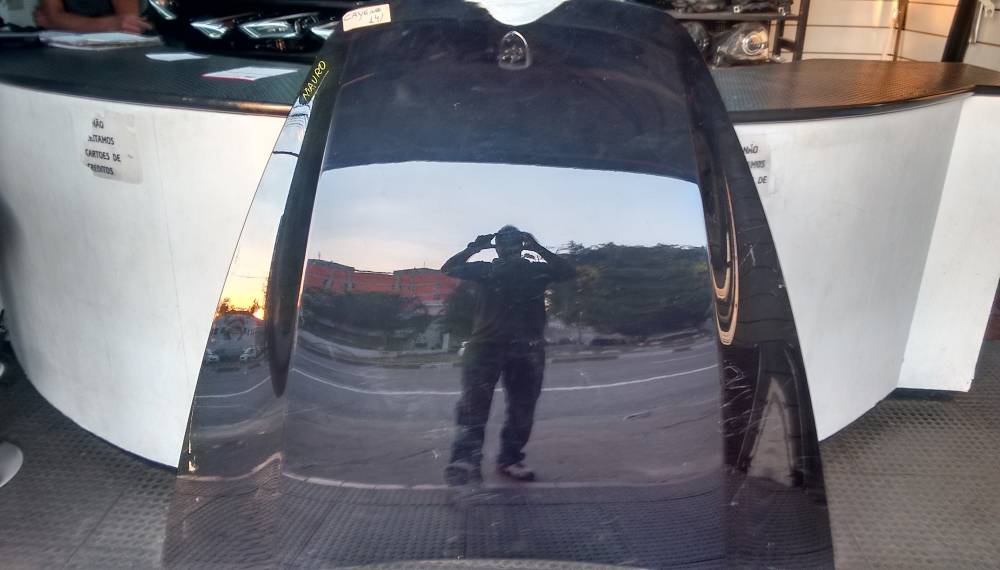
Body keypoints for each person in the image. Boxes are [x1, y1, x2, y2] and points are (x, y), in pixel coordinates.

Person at [442, 225, 575, 486]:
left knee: (522, 408)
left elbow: (568, 272)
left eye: (514, 241)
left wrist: (537, 248)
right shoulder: (486, 270)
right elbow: (448, 269)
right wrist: (474, 248)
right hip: (486, 346)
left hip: (527, 347)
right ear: (497, 247)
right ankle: (466, 461)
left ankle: (510, 459)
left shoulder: (536, 270)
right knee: (473, 406)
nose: (508, 245)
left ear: (522, 245)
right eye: (503, 241)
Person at [34, 0, 150, 34]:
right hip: (69, 49)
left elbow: (130, 26)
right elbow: (54, 16)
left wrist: (63, 23)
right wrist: (109, 24)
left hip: (120, 54)